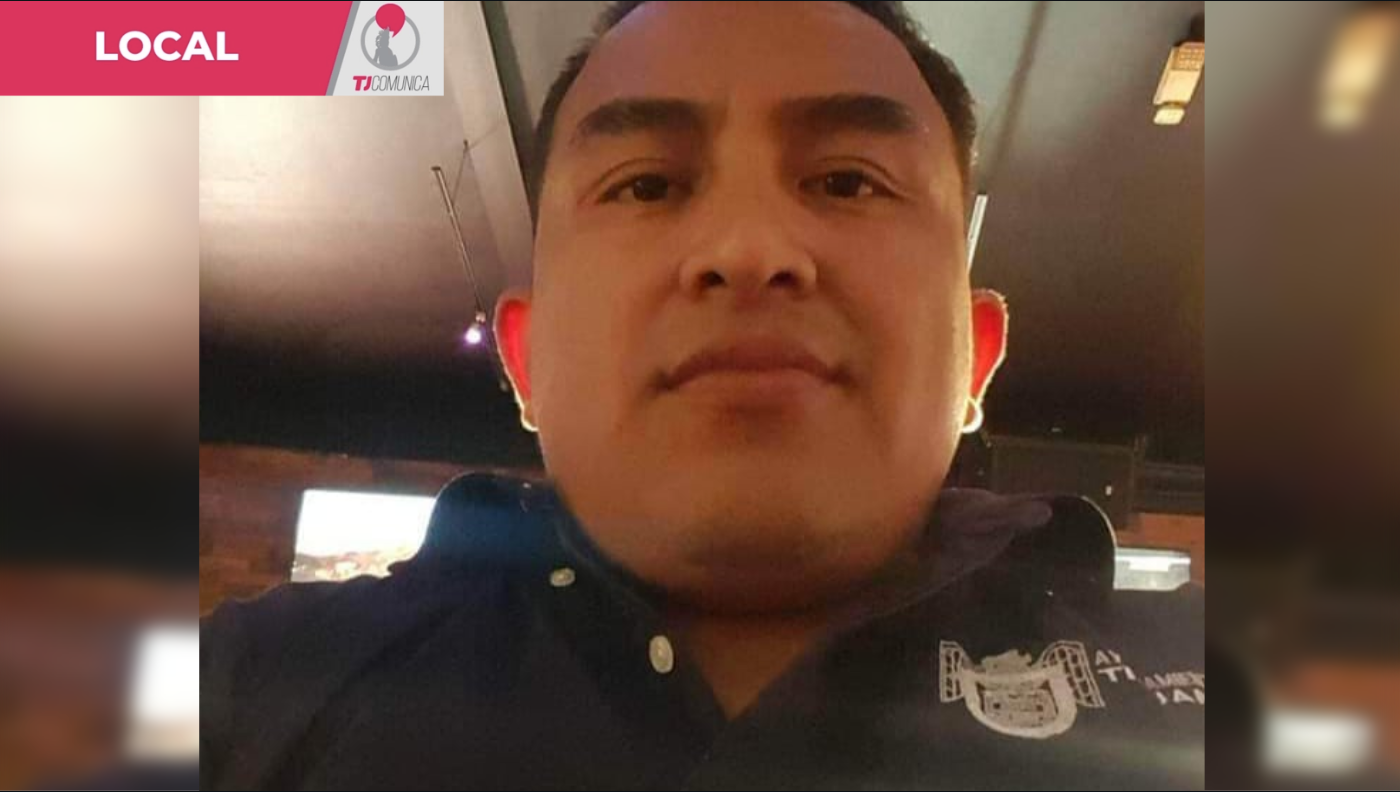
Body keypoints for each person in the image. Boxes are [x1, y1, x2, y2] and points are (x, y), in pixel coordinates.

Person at [200, 2, 1204, 788]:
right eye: (645, 185)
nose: (749, 249)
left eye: (848, 181)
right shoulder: (241, 694)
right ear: (527, 359)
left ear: (975, 360)